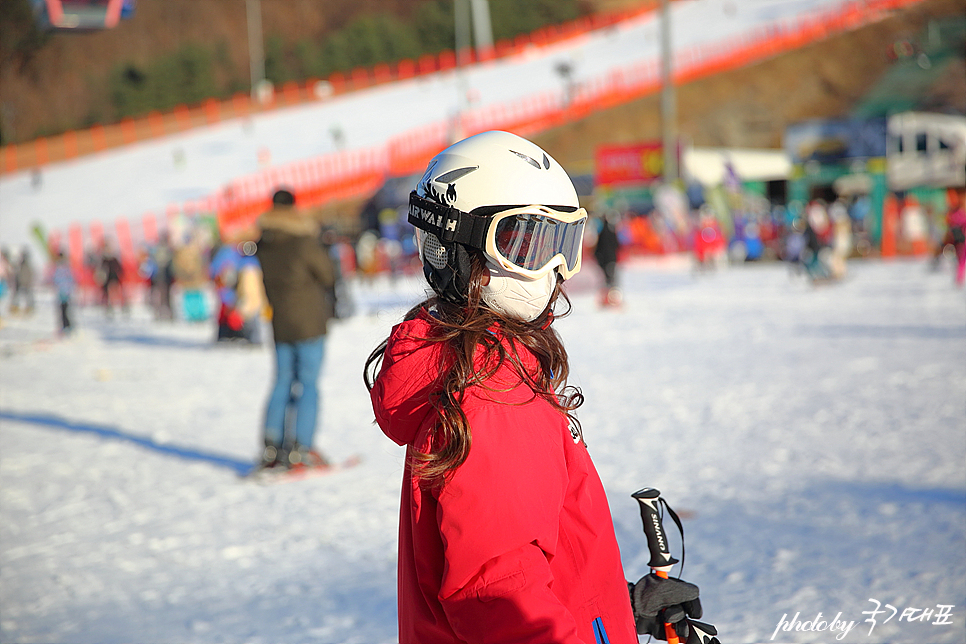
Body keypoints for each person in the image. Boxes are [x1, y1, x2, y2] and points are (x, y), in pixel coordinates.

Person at [364, 131, 704, 644]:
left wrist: (612, 602)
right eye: (524, 244)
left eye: (562, 244)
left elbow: (508, 555)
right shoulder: (493, 389)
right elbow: (501, 598)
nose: (553, 271)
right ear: (455, 246)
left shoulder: (457, 365)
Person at [255, 188, 336, 471]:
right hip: (309, 320)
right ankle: (302, 447)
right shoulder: (303, 240)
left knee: (282, 381)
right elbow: (327, 273)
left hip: (280, 322)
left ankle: (271, 446)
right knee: (309, 384)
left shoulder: (264, 242)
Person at [594, 210, 622, 307]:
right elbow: (617, 245)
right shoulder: (611, 231)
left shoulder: (601, 233)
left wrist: (597, 257)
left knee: (606, 280)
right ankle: (613, 300)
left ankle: (607, 299)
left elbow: (598, 248)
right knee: (612, 280)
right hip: (611, 260)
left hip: (604, 260)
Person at [51, 250, 75, 335]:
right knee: (63, 311)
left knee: (65, 311)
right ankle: (66, 326)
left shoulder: (63, 267)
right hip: (63, 292)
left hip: (64, 292)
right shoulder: (63, 267)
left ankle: (67, 326)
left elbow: (69, 279)